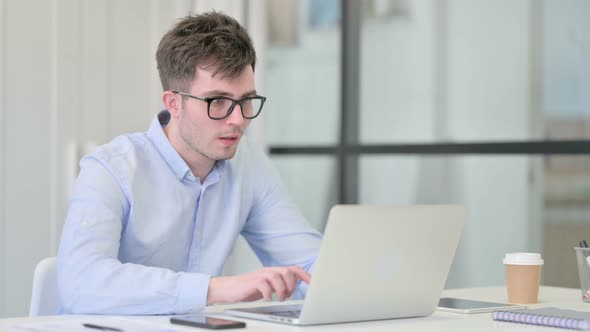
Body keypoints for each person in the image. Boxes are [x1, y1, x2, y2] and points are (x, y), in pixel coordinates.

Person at [57, 11, 322, 315]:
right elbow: (81, 284)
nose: (238, 120)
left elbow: (307, 265)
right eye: (218, 101)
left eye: (246, 100)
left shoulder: (247, 162)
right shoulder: (111, 168)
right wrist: (214, 289)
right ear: (173, 103)